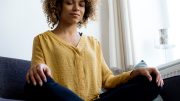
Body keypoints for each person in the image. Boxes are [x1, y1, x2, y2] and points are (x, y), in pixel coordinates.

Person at [24, 0, 164, 101]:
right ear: (57, 5)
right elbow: (38, 72)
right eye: (69, 3)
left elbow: (108, 80)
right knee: (34, 84)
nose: (76, 8)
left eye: (81, 4)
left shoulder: (93, 43)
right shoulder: (42, 40)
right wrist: (39, 67)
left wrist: (134, 73)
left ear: (86, 9)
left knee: (150, 82)